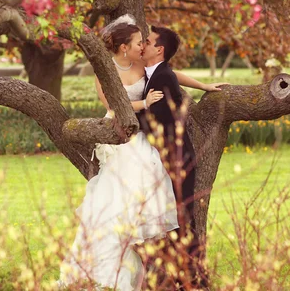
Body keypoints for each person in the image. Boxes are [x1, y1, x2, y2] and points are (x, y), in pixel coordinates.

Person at [58, 15, 224, 290]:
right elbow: (113, 109)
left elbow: (168, 73)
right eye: (138, 41)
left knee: (151, 197)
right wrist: (144, 103)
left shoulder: (139, 64)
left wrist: (204, 86)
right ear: (125, 47)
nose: (142, 45)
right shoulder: (105, 73)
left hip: (144, 139)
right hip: (122, 138)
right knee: (119, 204)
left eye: (145, 41)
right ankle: (106, 269)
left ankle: (161, 267)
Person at [138, 25, 212, 289]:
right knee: (169, 220)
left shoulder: (162, 78)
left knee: (182, 220)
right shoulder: (155, 73)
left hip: (176, 159)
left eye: (147, 41)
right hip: (166, 158)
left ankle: (195, 279)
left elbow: (157, 122)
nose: (142, 44)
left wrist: (131, 114)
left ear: (159, 49)